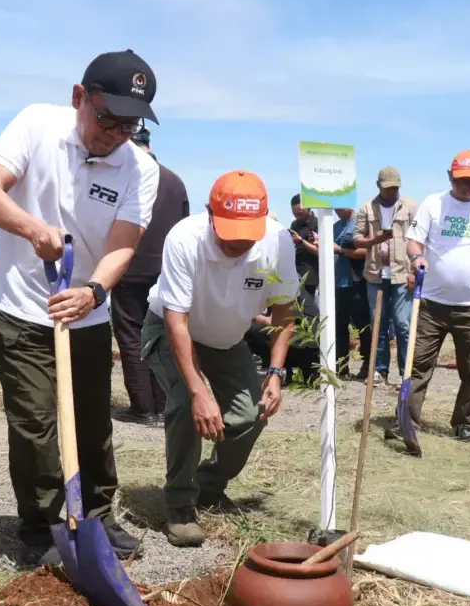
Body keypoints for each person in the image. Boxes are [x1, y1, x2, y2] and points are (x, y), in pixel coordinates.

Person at [0, 49, 160, 567]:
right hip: (22, 307)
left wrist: (94, 293)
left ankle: (97, 517)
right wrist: (34, 229)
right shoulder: (36, 125)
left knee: (93, 423)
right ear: (80, 98)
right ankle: (43, 525)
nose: (118, 132)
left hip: (87, 313)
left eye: (131, 123)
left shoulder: (140, 168)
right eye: (108, 118)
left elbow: (124, 243)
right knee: (35, 423)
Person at [142, 171, 298, 547]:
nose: (240, 244)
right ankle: (180, 506)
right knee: (184, 402)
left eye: (248, 234)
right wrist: (199, 391)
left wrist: (275, 372)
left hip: (227, 340)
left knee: (250, 414)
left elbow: (284, 310)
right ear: (211, 213)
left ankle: (208, 485)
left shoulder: (277, 241)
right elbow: (177, 320)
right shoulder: (184, 239)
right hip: (170, 330)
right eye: (230, 234)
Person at [399, 150, 470, 445]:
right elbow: (413, 241)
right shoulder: (432, 204)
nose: (466, 186)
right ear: (450, 176)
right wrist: (417, 258)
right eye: (461, 179)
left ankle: (465, 423)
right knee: (418, 365)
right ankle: (407, 422)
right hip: (431, 305)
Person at [111, 126, 190, 425]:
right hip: (165, 271)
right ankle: (163, 403)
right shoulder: (175, 181)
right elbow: (184, 228)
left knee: (131, 337)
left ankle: (143, 408)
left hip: (127, 266)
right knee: (161, 335)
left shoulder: (126, 176)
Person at [353, 167, 418, 383]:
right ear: (378, 185)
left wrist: (413, 271)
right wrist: (376, 240)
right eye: (388, 188)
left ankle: (404, 372)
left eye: (395, 187)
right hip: (375, 274)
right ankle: (380, 370)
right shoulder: (366, 208)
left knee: (403, 324)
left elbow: (418, 239)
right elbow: (357, 239)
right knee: (378, 325)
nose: (392, 192)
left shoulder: (410, 206)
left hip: (403, 275)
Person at [333, 207, 367, 377]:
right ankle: (341, 367)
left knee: (363, 325)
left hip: (357, 281)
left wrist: (340, 250)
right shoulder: (334, 226)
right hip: (339, 283)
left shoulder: (360, 223)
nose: (336, 211)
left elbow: (367, 252)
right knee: (339, 327)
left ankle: (367, 364)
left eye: (339, 208)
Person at [290, 194, 320, 301]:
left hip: (312, 278)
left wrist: (301, 241)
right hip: (296, 275)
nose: (297, 216)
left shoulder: (318, 224)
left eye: (300, 213)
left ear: (308, 208)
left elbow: (322, 252)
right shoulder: (294, 225)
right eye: (294, 213)